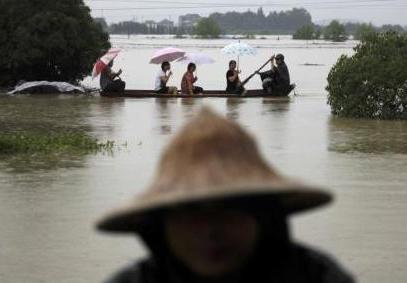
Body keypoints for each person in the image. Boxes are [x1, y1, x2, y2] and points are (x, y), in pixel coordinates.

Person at [97, 107, 355, 283]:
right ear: (160, 223)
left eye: (230, 208)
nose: (211, 231)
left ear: (264, 216)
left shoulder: (317, 277)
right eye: (190, 211)